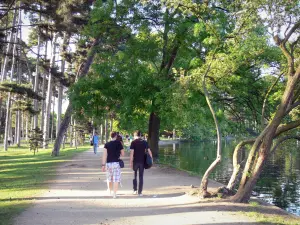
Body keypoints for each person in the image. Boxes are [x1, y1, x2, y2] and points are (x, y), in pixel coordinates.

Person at [130, 130, 153, 196]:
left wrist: (131, 162)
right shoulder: (145, 142)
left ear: (135, 135)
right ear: (140, 135)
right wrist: (151, 160)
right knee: (141, 177)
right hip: (142, 162)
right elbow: (149, 152)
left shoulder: (133, 142)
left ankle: (135, 190)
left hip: (135, 161)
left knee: (134, 176)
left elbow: (132, 153)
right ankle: (140, 192)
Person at [102, 131, 124, 198]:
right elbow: (123, 154)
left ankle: (109, 191)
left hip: (109, 164)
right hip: (116, 163)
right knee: (116, 179)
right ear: (116, 136)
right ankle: (114, 194)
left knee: (109, 178)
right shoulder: (119, 143)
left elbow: (104, 155)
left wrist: (103, 165)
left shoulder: (107, 144)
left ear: (110, 136)